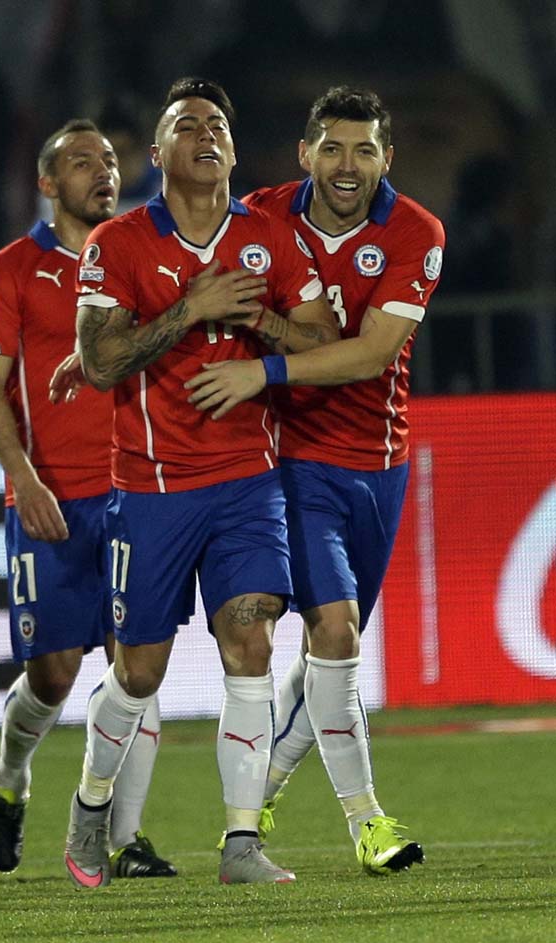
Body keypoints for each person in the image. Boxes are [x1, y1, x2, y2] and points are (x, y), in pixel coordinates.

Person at [49, 77, 337, 887]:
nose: (206, 134)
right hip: (152, 488)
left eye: (218, 124)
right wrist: (191, 305)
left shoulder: (272, 237)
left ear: (234, 150)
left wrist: (258, 324)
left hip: (249, 481)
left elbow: (320, 339)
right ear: (157, 153)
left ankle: (241, 842)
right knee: (139, 672)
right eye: (188, 124)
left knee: (251, 641)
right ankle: (92, 802)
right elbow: (101, 362)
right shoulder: (121, 243)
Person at [185, 86, 445, 874]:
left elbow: (370, 354)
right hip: (292, 461)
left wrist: (266, 364)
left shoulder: (415, 231)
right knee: (335, 631)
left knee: (331, 653)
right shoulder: (260, 216)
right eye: (332, 148)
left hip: (382, 463)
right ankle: (369, 823)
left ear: (386, 159)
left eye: (364, 150)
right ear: (305, 155)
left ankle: (260, 783)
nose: (347, 164)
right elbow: (186, 276)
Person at [0, 118, 176, 880]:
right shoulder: (13, 268)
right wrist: (23, 479)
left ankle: (125, 837)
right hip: (51, 499)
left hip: (137, 491)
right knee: (53, 675)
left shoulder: (139, 256)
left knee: (137, 666)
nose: (103, 172)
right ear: (48, 182)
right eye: (82, 162)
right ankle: (10, 776)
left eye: (112, 161)